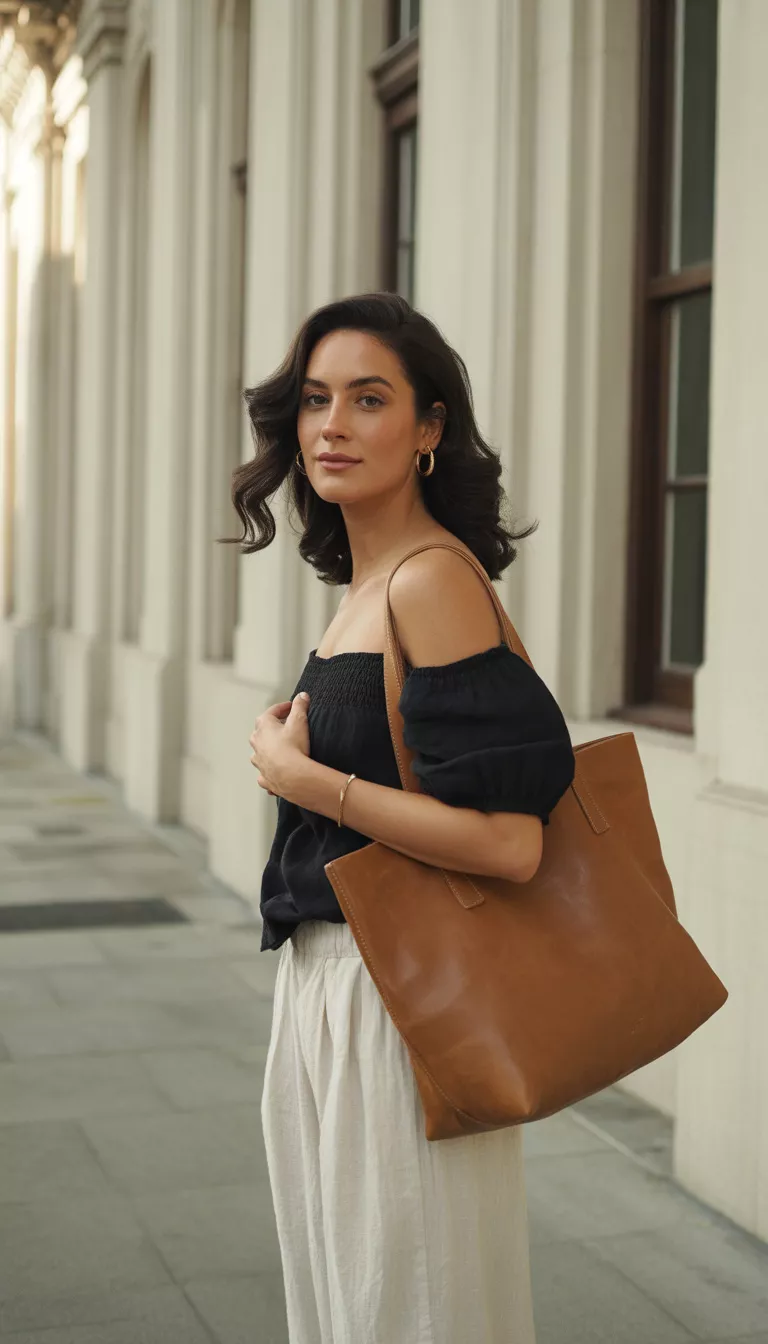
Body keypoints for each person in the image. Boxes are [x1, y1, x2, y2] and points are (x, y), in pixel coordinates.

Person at [226, 292, 575, 1343]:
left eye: (368, 400)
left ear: (427, 431)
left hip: (399, 1003)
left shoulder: (430, 583)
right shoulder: (365, 581)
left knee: (405, 1311)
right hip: (330, 989)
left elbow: (511, 844)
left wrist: (307, 782)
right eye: (316, 399)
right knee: (349, 1308)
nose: (332, 424)